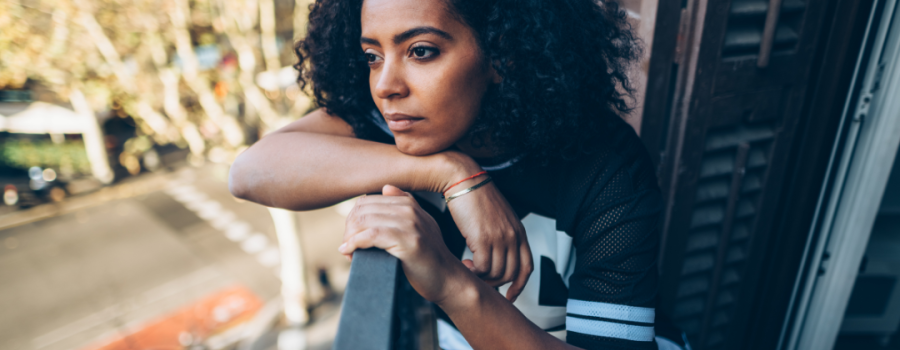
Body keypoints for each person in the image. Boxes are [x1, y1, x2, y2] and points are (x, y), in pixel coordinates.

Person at [229, 0, 663, 348]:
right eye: (372, 56)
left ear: (503, 53)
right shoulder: (394, 124)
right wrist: (449, 172)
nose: (385, 86)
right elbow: (250, 171)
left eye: (420, 51)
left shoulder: (608, 166)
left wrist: (452, 285)